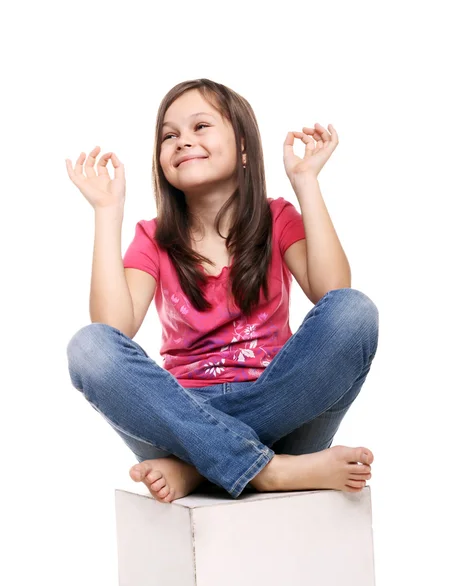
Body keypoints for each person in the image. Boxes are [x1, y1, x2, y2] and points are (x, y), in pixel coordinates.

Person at [64, 78, 379, 504]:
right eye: (169, 135)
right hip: (180, 411)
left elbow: (332, 289)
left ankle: (201, 467)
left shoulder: (276, 218)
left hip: (279, 406)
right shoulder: (153, 238)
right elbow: (112, 327)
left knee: (354, 312)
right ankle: (269, 470)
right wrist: (107, 211)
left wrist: (305, 180)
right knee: (88, 347)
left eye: (200, 127)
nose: (182, 141)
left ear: (244, 147)